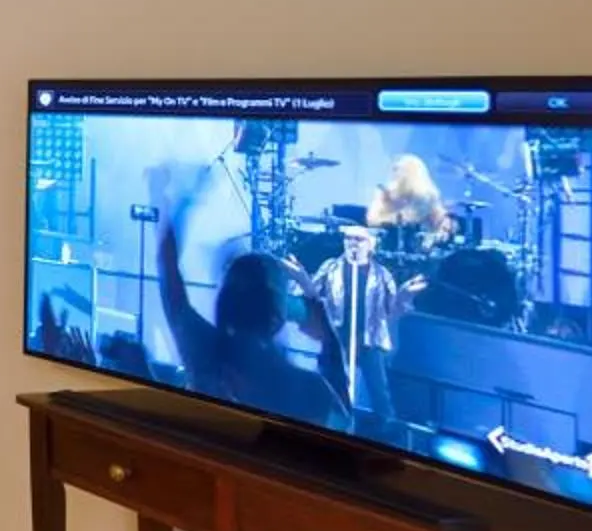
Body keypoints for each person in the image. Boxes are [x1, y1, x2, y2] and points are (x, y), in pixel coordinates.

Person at [155, 174, 353, 431]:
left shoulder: (201, 349)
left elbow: (169, 274)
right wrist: (328, 338)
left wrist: (178, 201)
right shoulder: (311, 391)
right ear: (276, 317)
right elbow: (345, 430)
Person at [304, 225, 414, 430]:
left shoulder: (382, 274)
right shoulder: (331, 268)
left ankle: (386, 430)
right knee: (328, 380)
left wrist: (405, 297)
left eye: (358, 239)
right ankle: (322, 421)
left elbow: (393, 308)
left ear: (371, 245)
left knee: (378, 389)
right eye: (348, 238)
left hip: (368, 338)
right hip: (338, 336)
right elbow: (312, 291)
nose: (352, 243)